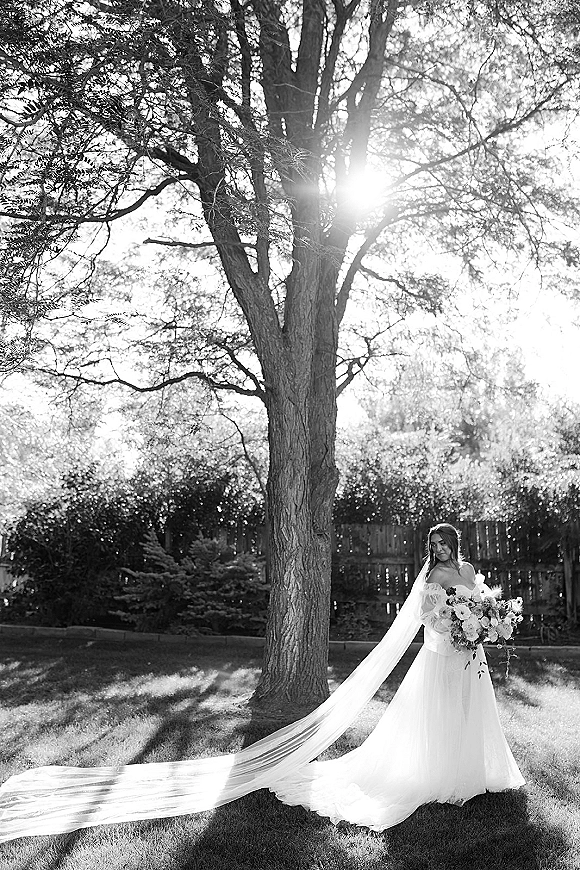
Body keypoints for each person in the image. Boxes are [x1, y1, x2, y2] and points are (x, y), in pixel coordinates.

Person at [0, 523, 524, 842]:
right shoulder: (429, 580)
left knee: (468, 715)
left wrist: (481, 623)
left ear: (455, 545)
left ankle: (474, 774)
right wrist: (455, 628)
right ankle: (438, 777)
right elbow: (427, 621)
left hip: (468, 659)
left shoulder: (471, 571)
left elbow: (477, 603)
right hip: (440, 656)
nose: (436, 551)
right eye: (431, 544)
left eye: (442, 543)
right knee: (436, 718)